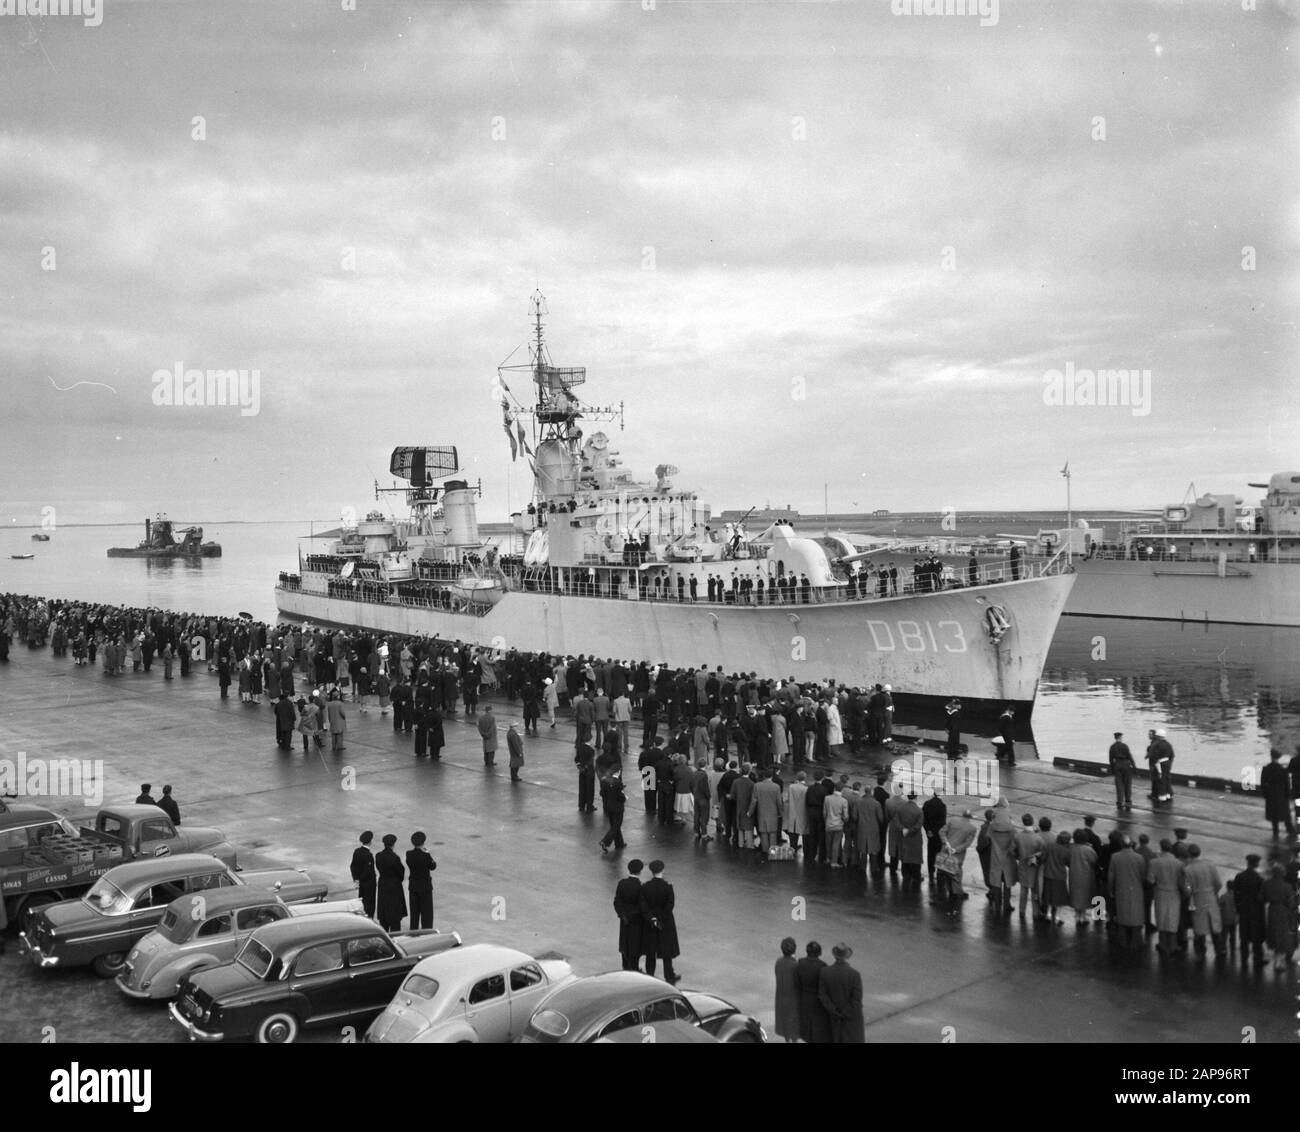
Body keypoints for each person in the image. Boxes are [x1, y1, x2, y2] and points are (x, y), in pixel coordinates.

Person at [640, 859, 680, 983]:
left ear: (651, 871)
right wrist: (661, 918)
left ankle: (650, 975)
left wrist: (652, 919)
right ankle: (669, 975)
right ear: (663, 870)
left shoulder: (645, 887)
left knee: (651, 950)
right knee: (666, 950)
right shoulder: (668, 887)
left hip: (650, 923)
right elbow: (670, 905)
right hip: (665, 922)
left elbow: (643, 906)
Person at [817, 943, 865, 1044]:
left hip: (833, 1018)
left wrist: (835, 1011)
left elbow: (822, 995)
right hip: (851, 1020)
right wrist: (844, 1013)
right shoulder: (854, 975)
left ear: (834, 956)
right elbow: (856, 999)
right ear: (847, 956)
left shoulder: (825, 972)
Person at [1183, 843, 1223, 959]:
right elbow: (1218, 883)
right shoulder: (1210, 865)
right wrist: (1212, 892)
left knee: (1199, 927)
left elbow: (1188, 888)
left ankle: (1200, 952)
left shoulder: (1188, 869)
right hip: (1210, 897)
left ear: (1189, 854)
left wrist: (1190, 894)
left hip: (1197, 899)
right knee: (1215, 925)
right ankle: (1219, 949)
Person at [1148, 839, 1187, 955]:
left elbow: (1150, 880)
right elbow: (1183, 882)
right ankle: (1173, 945)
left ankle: (1162, 944)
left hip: (1160, 893)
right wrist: (1187, 892)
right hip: (1174, 894)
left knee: (1161, 918)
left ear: (1161, 848)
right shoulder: (1179, 864)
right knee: (1173, 920)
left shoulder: (1154, 862)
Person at [1108, 834, 1147, 949]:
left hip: (1121, 889)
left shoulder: (1115, 857)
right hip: (1136, 890)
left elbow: (1111, 875)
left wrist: (1110, 889)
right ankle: (1136, 941)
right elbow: (1142, 875)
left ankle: (1123, 940)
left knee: (1122, 914)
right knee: (1136, 915)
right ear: (1131, 844)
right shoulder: (1139, 858)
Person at [1233, 853, 1267, 967]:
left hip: (1243, 909)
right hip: (1256, 910)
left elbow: (1236, 894)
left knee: (1244, 935)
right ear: (1256, 864)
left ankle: (1244, 958)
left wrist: (1238, 908)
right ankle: (1258, 958)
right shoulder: (1259, 879)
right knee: (1256, 936)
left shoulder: (1239, 876)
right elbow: (1262, 897)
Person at [794, 941, 831, 1044]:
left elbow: (796, 983)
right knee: (817, 1029)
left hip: (804, 999)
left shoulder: (800, 964)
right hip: (818, 1001)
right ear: (819, 953)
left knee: (805, 1028)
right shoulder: (823, 966)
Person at [1012, 812, 1043, 921]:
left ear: (1023, 822)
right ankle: (1035, 912)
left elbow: (1013, 851)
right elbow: (1042, 852)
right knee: (1034, 892)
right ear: (1033, 822)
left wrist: (1019, 857)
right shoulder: (1038, 838)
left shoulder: (1018, 836)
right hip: (1034, 868)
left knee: (1023, 890)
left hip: (1022, 866)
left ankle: (1022, 911)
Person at [613, 860, 644, 970]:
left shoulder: (622, 883)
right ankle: (633, 968)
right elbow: (642, 905)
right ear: (640, 871)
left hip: (624, 919)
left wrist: (621, 914)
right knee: (635, 945)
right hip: (636, 921)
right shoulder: (640, 887)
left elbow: (617, 901)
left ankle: (625, 966)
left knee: (624, 944)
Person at [375, 834, 407, 933]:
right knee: (395, 921)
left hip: (383, 886)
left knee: (383, 920)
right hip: (394, 887)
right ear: (393, 844)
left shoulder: (378, 856)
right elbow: (401, 873)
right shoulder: (395, 858)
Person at [1261, 749, 1296, 840]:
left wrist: (1265, 795)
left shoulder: (1266, 769)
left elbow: (1263, 784)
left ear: (1271, 756)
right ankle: (1290, 831)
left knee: (1273, 816)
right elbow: (1287, 784)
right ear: (1279, 757)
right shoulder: (1282, 770)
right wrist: (1288, 795)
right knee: (1285, 814)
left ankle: (1275, 833)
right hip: (1281, 795)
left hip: (1271, 795)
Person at [406, 831, 436, 930]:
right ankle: (426, 934)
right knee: (426, 915)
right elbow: (433, 866)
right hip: (425, 888)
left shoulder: (409, 854)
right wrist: (427, 853)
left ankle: (413, 933)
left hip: (413, 887)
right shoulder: (426, 856)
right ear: (423, 842)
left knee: (414, 914)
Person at [1042, 831, 1072, 924]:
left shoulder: (1049, 846)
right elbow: (1068, 863)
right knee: (1059, 898)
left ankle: (1048, 914)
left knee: (1048, 896)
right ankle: (1058, 917)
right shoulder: (1066, 851)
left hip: (1048, 874)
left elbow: (1043, 858)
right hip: (1060, 876)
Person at [773, 937, 800, 1043]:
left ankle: (787, 1040)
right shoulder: (796, 965)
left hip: (781, 996)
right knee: (793, 1024)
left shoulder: (779, 962)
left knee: (784, 1020)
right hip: (793, 998)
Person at [922, 788, 947, 886]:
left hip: (930, 834)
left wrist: (928, 830)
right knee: (939, 853)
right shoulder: (942, 806)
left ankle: (931, 873)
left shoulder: (927, 804)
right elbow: (942, 822)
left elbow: (923, 819)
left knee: (930, 854)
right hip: (938, 835)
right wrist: (936, 831)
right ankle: (939, 873)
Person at [350, 830, 376, 918]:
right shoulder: (368, 855)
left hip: (361, 884)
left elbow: (353, 866)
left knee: (361, 903)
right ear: (370, 842)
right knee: (369, 906)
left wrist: (356, 879)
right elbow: (368, 871)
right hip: (369, 884)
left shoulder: (357, 851)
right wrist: (360, 879)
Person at [599, 770, 627, 852]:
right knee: (616, 826)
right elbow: (621, 797)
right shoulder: (618, 783)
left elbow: (602, 793)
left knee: (614, 825)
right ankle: (605, 841)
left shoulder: (605, 781)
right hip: (618, 808)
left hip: (608, 807)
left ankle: (619, 843)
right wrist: (625, 797)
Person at [1108, 731, 1135, 812]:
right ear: (1120, 737)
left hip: (1117, 765)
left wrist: (1112, 769)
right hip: (1126, 764)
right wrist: (1134, 766)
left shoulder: (1112, 747)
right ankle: (1128, 801)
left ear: (1115, 738)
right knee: (1127, 783)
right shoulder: (1124, 746)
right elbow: (1129, 756)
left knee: (1119, 785)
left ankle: (1120, 802)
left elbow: (1110, 759)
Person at [1146, 728, 1174, 803]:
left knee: (1160, 779)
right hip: (1167, 763)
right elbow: (1172, 755)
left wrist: (1154, 764)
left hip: (1159, 763)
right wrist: (1169, 763)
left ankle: (1162, 797)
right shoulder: (1168, 744)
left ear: (1158, 736)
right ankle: (1169, 794)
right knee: (1166, 779)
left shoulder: (1156, 744)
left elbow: (1153, 755)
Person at [576, 740, 597, 814]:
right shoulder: (591, 750)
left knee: (582, 789)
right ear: (590, 739)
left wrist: (579, 767)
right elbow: (590, 761)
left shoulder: (579, 748)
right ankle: (589, 806)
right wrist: (585, 767)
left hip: (581, 772)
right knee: (590, 790)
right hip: (589, 772)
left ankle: (581, 806)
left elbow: (576, 759)